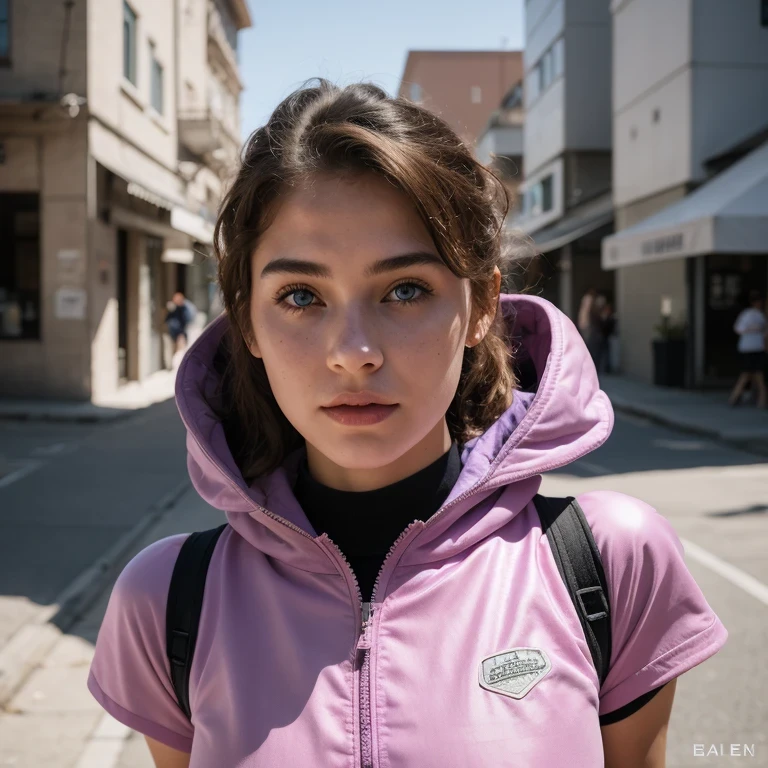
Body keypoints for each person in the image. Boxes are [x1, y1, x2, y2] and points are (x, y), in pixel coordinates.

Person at [86, 79, 727, 768]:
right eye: (300, 296)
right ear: (246, 320)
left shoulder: (608, 563)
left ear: (481, 303)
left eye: (404, 290)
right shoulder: (168, 601)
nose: (354, 353)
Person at [728, 289, 767, 408]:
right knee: (752, 374)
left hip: (754, 347)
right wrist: (753, 330)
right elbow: (738, 329)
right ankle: (760, 400)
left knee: (754, 374)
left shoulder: (761, 315)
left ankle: (757, 399)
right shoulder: (749, 314)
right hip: (750, 347)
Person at [164, 291, 196, 356]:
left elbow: (189, 318)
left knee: (180, 352)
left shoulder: (185, 308)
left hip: (180, 333)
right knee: (172, 352)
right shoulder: (172, 308)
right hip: (172, 333)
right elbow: (166, 319)